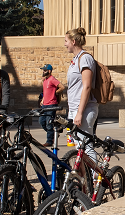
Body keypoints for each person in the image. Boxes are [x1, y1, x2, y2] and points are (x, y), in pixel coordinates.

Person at [64, 28, 98, 158]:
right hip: (75, 109)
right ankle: (86, 177)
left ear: (73, 41)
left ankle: (96, 177)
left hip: (84, 109)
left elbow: (87, 86)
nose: (65, 44)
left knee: (86, 147)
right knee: (79, 147)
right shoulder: (76, 59)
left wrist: (79, 112)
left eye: (66, 41)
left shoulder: (85, 58)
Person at [39, 63, 64, 146]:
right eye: (43, 70)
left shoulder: (52, 79)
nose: (43, 71)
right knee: (42, 121)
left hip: (52, 105)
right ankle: (54, 134)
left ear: (49, 71)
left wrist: (55, 93)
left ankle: (49, 141)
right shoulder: (44, 80)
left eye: (45, 70)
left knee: (49, 124)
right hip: (44, 105)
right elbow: (45, 92)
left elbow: (62, 87)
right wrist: (42, 99)